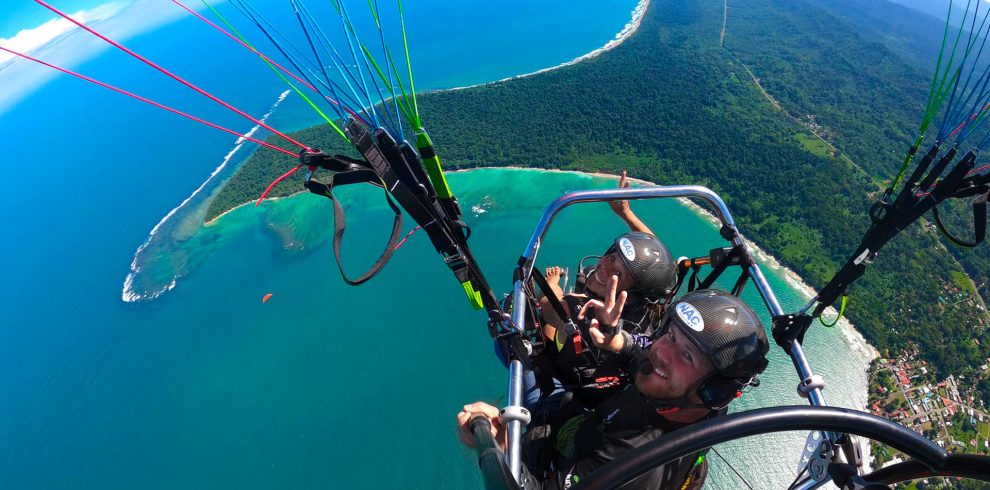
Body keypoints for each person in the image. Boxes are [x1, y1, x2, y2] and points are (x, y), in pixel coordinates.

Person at [458, 287, 770, 490]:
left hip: (555, 460)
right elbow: (646, 363)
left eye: (686, 356)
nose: (661, 352)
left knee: (524, 366)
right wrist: (617, 341)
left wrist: (500, 443)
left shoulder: (632, 466)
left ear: (715, 390)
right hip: (578, 430)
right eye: (671, 336)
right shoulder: (692, 400)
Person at [534, 171, 679, 408]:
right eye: (613, 254)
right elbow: (656, 264)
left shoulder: (582, 311)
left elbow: (548, 305)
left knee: (526, 340)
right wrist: (625, 213)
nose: (604, 263)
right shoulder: (645, 312)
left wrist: (553, 282)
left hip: (570, 383)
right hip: (611, 383)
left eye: (617, 272)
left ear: (632, 293)